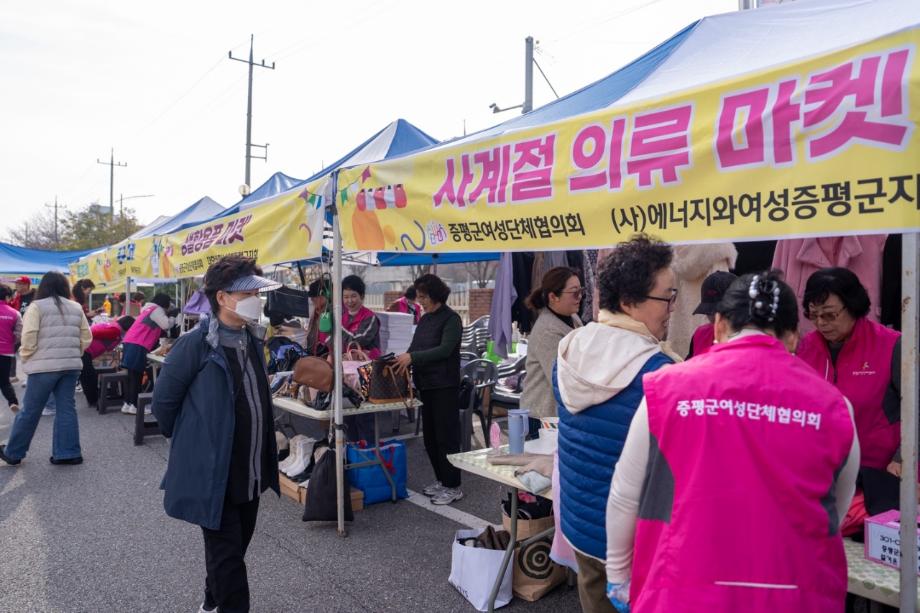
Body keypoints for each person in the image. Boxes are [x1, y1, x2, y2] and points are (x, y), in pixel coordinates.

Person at [604, 272, 859, 612]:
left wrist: (618, 574)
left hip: (682, 589)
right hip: (794, 592)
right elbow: (835, 509)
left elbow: (625, 493)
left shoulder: (666, 389)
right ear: (794, 337)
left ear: (720, 325)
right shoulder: (835, 406)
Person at [554, 235, 679, 613]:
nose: (673, 308)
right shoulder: (661, 374)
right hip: (633, 545)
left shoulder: (572, 347)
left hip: (580, 527)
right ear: (628, 301)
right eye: (667, 297)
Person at [152, 256, 280, 613]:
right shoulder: (196, 344)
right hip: (215, 474)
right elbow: (164, 404)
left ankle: (211, 600)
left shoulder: (252, 339)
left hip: (250, 470)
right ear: (223, 298)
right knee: (229, 560)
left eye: (258, 292)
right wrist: (197, 443)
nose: (258, 299)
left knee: (235, 550)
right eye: (249, 292)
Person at [797, 267, 901, 472]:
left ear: (853, 306)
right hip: (822, 470)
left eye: (829, 315)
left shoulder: (891, 345)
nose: (820, 323)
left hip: (879, 470)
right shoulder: (804, 349)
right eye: (814, 315)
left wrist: (902, 459)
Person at [0, 272, 91, 466]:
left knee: (31, 410)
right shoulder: (76, 307)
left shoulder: (37, 306)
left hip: (43, 367)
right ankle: (68, 453)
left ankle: (14, 452)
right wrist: (75, 352)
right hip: (71, 365)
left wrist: (25, 357)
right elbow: (86, 336)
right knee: (66, 408)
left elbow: (29, 336)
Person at [394, 274, 464, 505]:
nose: (420, 301)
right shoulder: (424, 320)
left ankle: (453, 486)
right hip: (426, 386)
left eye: (423, 297)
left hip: (445, 386)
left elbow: (444, 350)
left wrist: (412, 357)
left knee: (447, 438)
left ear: (435, 295)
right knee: (431, 439)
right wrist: (403, 358)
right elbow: (414, 347)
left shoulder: (451, 319)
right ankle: (442, 480)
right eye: (419, 297)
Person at [521, 267, 583, 435]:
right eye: (574, 293)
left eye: (581, 291)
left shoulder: (573, 317)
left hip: (556, 415)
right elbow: (560, 378)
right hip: (541, 417)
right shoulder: (547, 330)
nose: (580, 298)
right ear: (553, 297)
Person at [119, 292, 173, 415]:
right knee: (136, 375)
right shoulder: (157, 310)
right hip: (139, 343)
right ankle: (135, 405)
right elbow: (166, 324)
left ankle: (127, 404)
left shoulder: (147, 308)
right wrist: (174, 318)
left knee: (131, 375)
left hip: (130, 341)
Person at [81, 316, 135, 406]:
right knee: (89, 377)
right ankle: (93, 400)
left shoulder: (114, 327)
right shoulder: (115, 331)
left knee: (88, 376)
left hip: (86, 351)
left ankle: (93, 399)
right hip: (85, 351)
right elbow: (91, 333)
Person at [686, 270, 737, 358]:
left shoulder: (750, 343)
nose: (715, 317)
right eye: (709, 312)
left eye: (722, 312)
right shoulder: (700, 335)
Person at [341, 275, 381, 359]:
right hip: (346, 363)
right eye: (346, 297)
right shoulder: (341, 316)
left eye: (353, 296)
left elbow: (359, 340)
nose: (349, 301)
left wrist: (338, 329)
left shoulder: (370, 317)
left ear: (362, 296)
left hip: (367, 365)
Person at [0, 285, 22, 413]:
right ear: (8, 297)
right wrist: (10, 342)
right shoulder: (15, 313)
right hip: (6, 352)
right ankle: (12, 402)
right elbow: (19, 334)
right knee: (4, 382)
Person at [305, 276, 331, 356]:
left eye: (315, 296)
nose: (312, 299)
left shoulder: (329, 312)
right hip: (314, 355)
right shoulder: (316, 312)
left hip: (325, 358)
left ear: (325, 296)